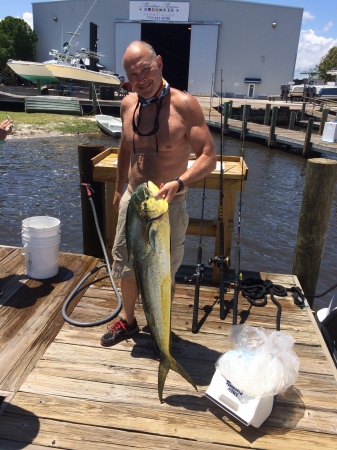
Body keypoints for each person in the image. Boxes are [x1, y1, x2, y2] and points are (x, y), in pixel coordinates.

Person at [100, 41, 217, 347]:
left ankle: (160, 330)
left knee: (163, 272)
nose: (140, 79)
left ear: (160, 63)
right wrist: (118, 189)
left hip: (168, 206)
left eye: (145, 69)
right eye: (132, 74)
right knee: (125, 263)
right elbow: (125, 147)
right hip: (133, 199)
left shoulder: (184, 104)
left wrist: (180, 181)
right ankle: (127, 320)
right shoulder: (128, 105)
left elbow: (208, 155)